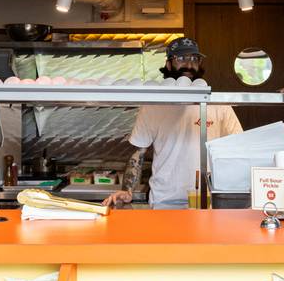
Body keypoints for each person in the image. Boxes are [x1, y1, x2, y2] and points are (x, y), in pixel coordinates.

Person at [103, 37, 242, 209]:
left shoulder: (217, 104)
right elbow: (138, 153)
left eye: (194, 59)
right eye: (181, 58)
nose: (189, 65)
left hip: (208, 201)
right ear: (168, 65)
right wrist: (127, 190)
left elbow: (237, 148)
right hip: (165, 202)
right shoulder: (153, 106)